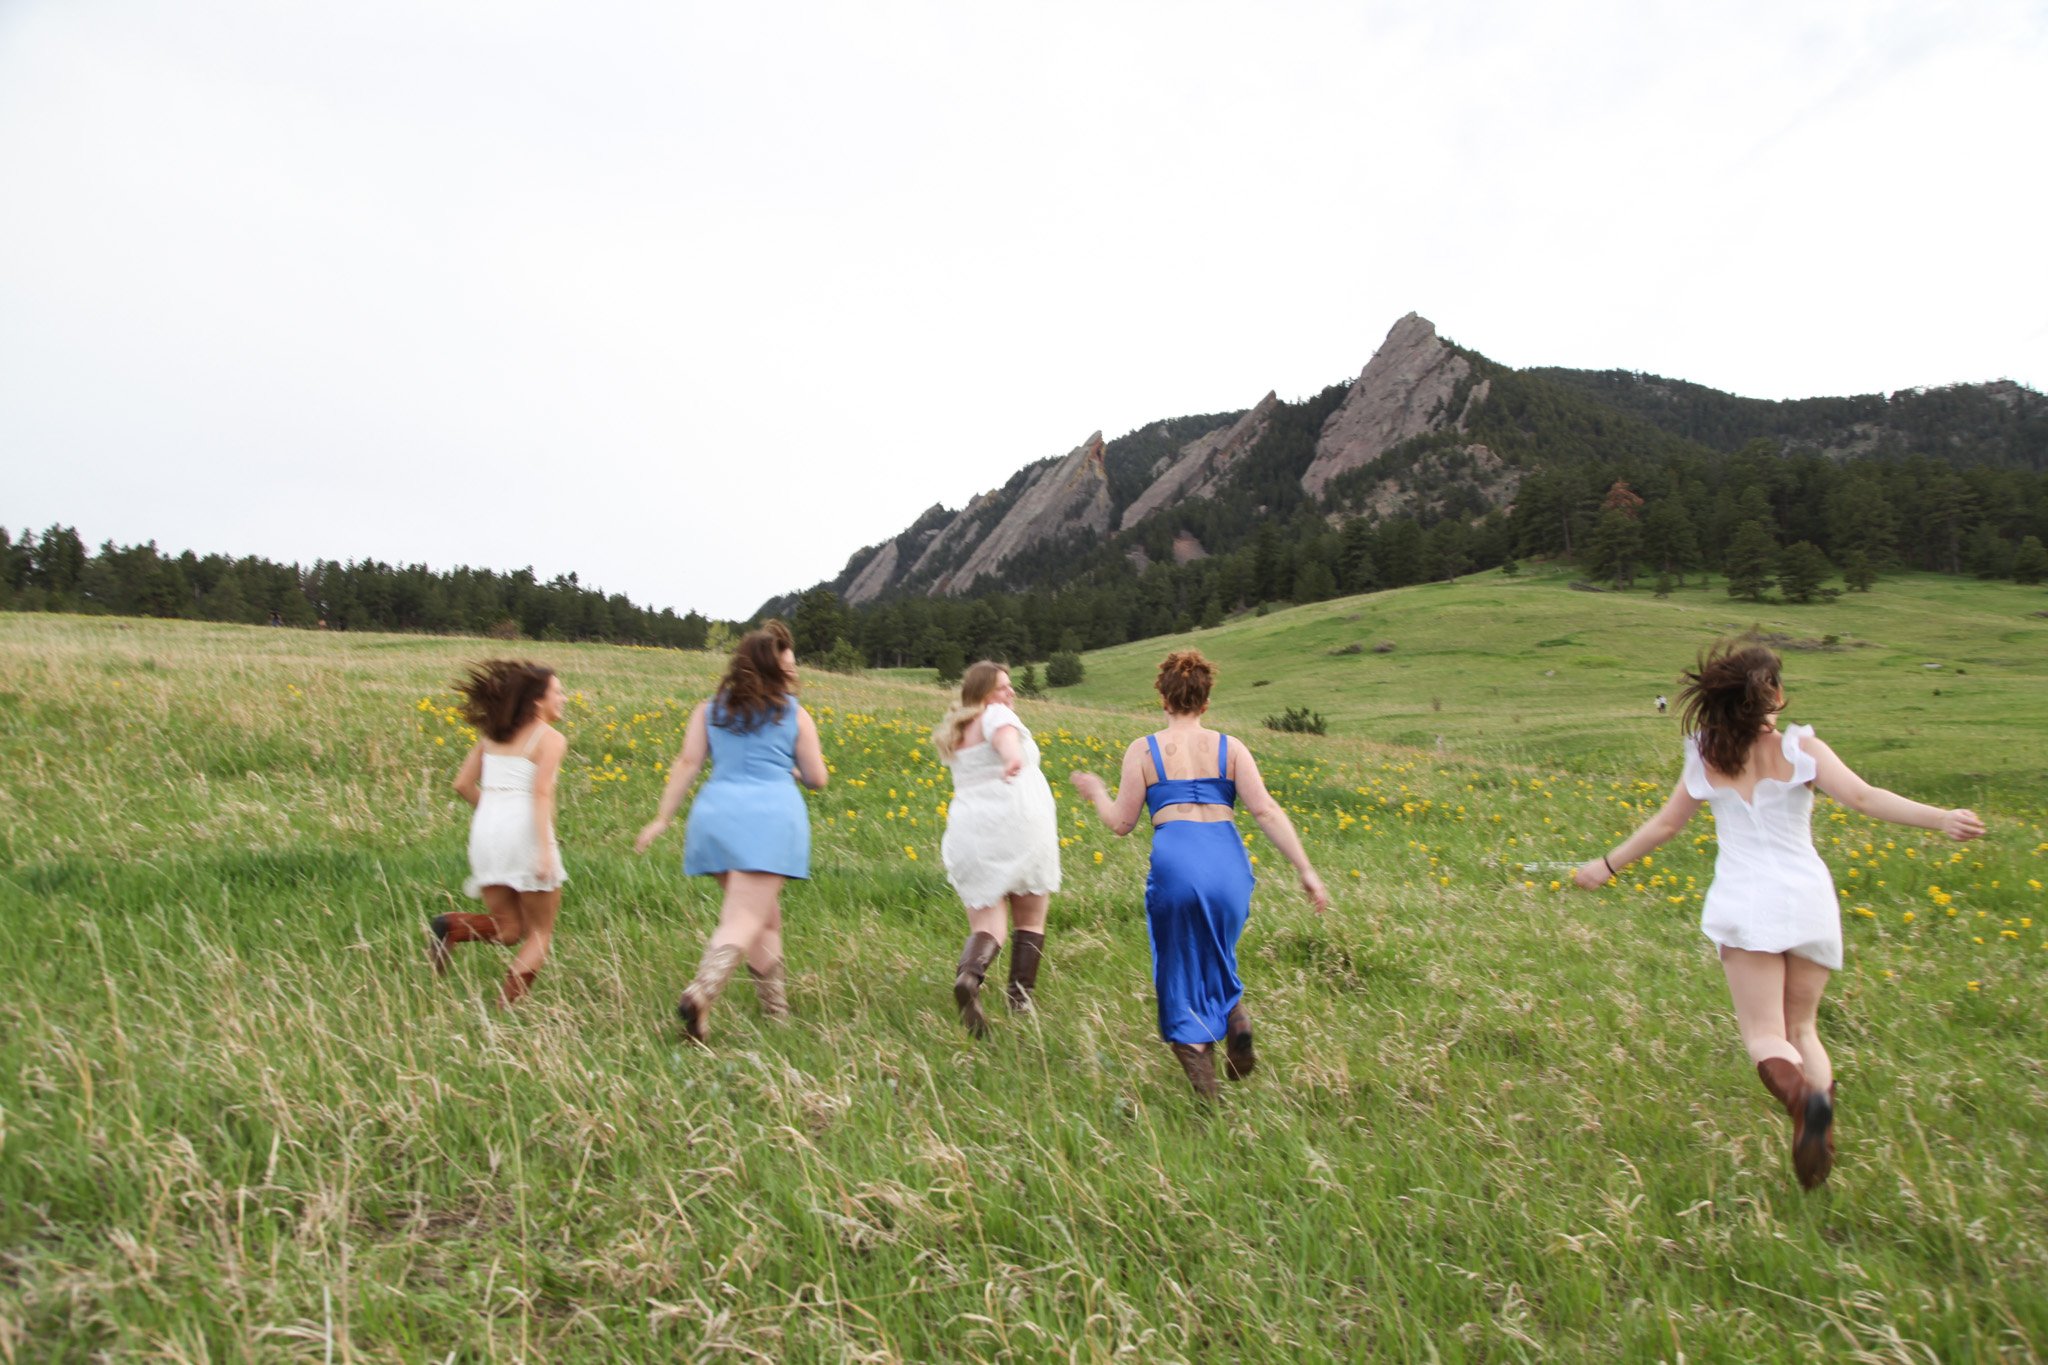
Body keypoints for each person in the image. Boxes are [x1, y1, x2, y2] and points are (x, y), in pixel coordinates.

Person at [1573, 640, 1984, 1188]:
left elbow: (1667, 825)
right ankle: (1818, 1115)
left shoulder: (1705, 753)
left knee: (1765, 1034)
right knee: (1803, 1028)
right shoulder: (1803, 749)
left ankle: (1801, 1102)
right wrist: (1941, 818)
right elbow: (1864, 797)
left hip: (1746, 902)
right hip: (1807, 899)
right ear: (1776, 695)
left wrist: (1606, 864)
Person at [1071, 650, 1329, 1098]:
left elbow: (1121, 823)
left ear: (1163, 699)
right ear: (1206, 701)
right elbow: (1265, 810)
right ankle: (1235, 1017)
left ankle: (1206, 1095)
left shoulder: (1144, 751)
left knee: (1178, 968)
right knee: (1216, 948)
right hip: (1228, 865)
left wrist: (1096, 792)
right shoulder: (1231, 749)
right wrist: (1306, 870)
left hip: (1178, 862)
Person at [636, 620, 828, 1041]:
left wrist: (662, 818)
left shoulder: (709, 711)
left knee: (765, 918)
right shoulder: (794, 714)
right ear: (773, 669)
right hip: (768, 820)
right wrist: (792, 771)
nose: (795, 673)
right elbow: (818, 778)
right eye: (789, 666)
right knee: (744, 916)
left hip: (715, 817)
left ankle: (776, 1014)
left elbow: (687, 764)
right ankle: (701, 993)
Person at [429, 660, 569, 1007]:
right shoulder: (550, 739)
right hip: (524, 832)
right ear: (538, 701)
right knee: (539, 934)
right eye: (558, 692)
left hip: (485, 831)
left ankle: (452, 926)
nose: (564, 698)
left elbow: (462, 784)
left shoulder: (491, 735)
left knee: (508, 929)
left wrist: (493, 814)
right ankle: (504, 1010)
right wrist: (545, 849)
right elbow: (541, 793)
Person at [933, 661, 1062, 1037]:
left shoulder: (958, 729)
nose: (1011, 693)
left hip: (971, 832)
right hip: (1018, 826)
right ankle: (1020, 1003)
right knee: (1031, 919)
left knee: (989, 924)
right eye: (1003, 687)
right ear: (985, 693)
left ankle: (970, 979)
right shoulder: (996, 715)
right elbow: (1004, 734)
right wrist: (1011, 757)